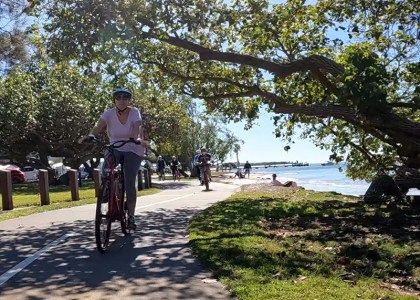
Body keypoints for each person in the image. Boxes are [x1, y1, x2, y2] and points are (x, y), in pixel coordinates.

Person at [79, 87, 148, 230]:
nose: (121, 101)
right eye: (118, 98)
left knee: (129, 180)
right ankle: (106, 191)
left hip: (133, 148)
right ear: (115, 100)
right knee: (106, 169)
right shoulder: (109, 113)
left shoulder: (135, 112)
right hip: (115, 147)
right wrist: (91, 135)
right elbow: (98, 126)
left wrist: (137, 139)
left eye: (125, 98)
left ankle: (131, 217)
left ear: (129, 100)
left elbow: (137, 127)